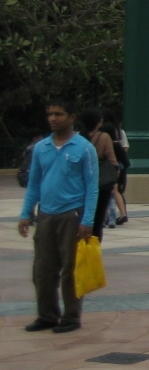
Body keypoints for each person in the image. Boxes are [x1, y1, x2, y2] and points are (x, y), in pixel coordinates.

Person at [18, 100, 98, 334]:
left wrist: (87, 220)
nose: (53, 118)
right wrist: (26, 213)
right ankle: (47, 315)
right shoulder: (41, 147)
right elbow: (34, 183)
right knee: (42, 270)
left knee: (70, 270)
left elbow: (92, 187)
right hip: (46, 215)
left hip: (72, 214)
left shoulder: (84, 148)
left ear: (72, 117)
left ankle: (71, 316)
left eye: (59, 114)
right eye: (50, 114)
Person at [79, 108, 119, 241]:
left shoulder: (78, 137)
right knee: (97, 219)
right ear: (99, 122)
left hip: (80, 183)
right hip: (101, 184)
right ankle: (93, 246)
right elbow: (112, 161)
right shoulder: (104, 137)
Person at [102, 111, 129, 226]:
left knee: (106, 191)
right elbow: (125, 149)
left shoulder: (103, 138)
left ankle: (106, 217)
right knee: (116, 191)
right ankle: (122, 214)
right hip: (119, 167)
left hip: (107, 168)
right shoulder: (120, 133)